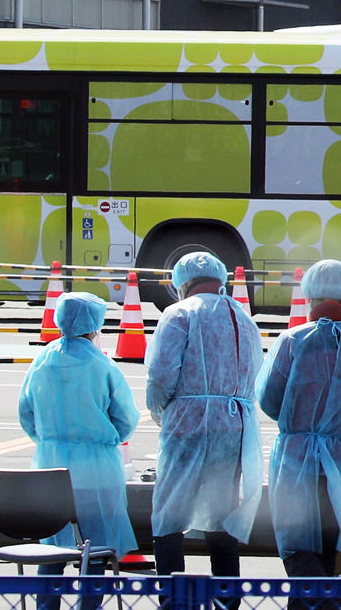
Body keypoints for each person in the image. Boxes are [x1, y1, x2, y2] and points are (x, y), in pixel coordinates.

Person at [257, 260, 341, 591]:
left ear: (308, 293)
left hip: (297, 459)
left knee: (296, 546)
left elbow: (270, 399)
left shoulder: (293, 340)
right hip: (340, 463)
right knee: (327, 549)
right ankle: (323, 598)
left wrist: (301, 425)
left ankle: (322, 601)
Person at [147, 251, 264, 580]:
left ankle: (174, 596)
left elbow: (160, 375)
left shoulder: (179, 314)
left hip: (188, 422)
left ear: (182, 282)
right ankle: (228, 598)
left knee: (169, 512)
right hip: (234, 426)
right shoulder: (244, 318)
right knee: (221, 513)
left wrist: (162, 415)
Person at [18, 291, 138, 610]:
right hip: (97, 469)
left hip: (50, 468)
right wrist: (104, 438)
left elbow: (26, 413)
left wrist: (49, 441)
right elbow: (125, 418)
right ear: (95, 325)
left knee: (53, 550)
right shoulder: (103, 365)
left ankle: (47, 607)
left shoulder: (41, 360)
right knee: (95, 549)